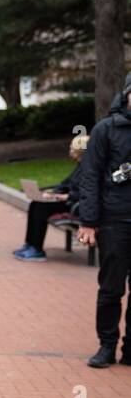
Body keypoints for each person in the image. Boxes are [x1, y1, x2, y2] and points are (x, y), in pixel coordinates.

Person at [78, 79, 131, 368]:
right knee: (111, 288)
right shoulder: (106, 129)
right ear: (127, 94)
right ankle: (106, 346)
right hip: (114, 221)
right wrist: (88, 221)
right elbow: (91, 176)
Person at [13, 134, 88, 262]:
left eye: (72, 148)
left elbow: (88, 192)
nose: (70, 151)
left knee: (41, 207)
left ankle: (37, 250)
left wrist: (66, 196)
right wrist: (50, 192)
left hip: (76, 205)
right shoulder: (80, 166)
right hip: (68, 201)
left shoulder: (90, 169)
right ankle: (30, 244)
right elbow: (66, 184)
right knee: (35, 203)